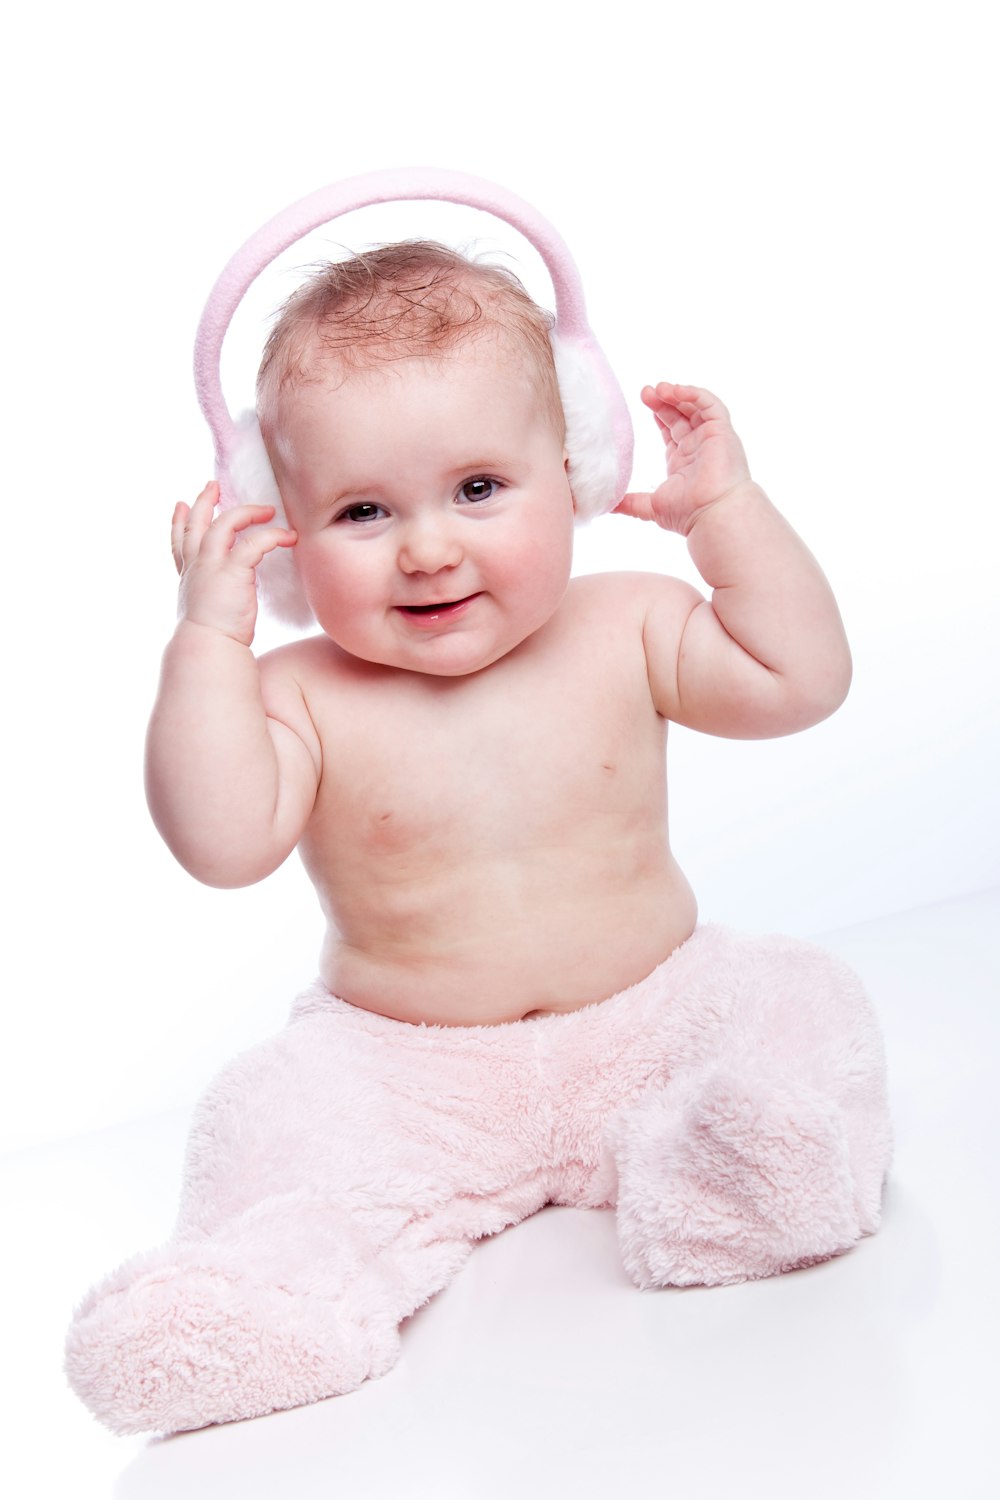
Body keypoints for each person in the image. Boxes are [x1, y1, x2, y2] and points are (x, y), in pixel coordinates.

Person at [65, 242, 892, 1435]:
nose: (426, 547)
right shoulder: (299, 693)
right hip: (407, 1073)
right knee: (271, 1115)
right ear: (279, 530)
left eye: (478, 489)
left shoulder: (631, 622)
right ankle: (252, 1302)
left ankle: (744, 1170)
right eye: (360, 509)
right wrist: (208, 647)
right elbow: (222, 842)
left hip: (650, 1014)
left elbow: (799, 681)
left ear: (579, 468)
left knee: (792, 996)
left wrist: (726, 517)